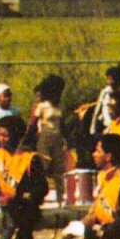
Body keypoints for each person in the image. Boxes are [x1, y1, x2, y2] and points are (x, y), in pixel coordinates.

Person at [29, 75, 67, 203]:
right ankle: (40, 197)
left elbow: (62, 124)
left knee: (59, 168)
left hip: (57, 139)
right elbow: (33, 124)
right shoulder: (42, 106)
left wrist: (67, 139)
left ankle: (60, 198)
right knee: (43, 167)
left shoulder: (59, 106)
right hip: (44, 138)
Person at [89, 65, 120, 139]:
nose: (109, 82)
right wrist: (92, 129)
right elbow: (97, 110)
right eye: (108, 79)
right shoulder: (105, 92)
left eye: (111, 79)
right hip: (104, 125)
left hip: (116, 127)